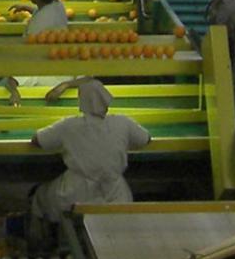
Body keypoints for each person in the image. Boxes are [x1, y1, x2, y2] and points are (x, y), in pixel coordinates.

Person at [29, 77, 152, 222]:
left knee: (40, 196)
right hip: (115, 196)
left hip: (75, 194)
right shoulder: (123, 123)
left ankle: (52, 238)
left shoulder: (69, 125)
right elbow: (146, 139)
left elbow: (37, 140)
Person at [4, 0, 68, 105]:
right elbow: (46, 14)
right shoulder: (57, 4)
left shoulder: (37, 28)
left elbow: (27, 52)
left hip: (44, 63)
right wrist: (30, 9)